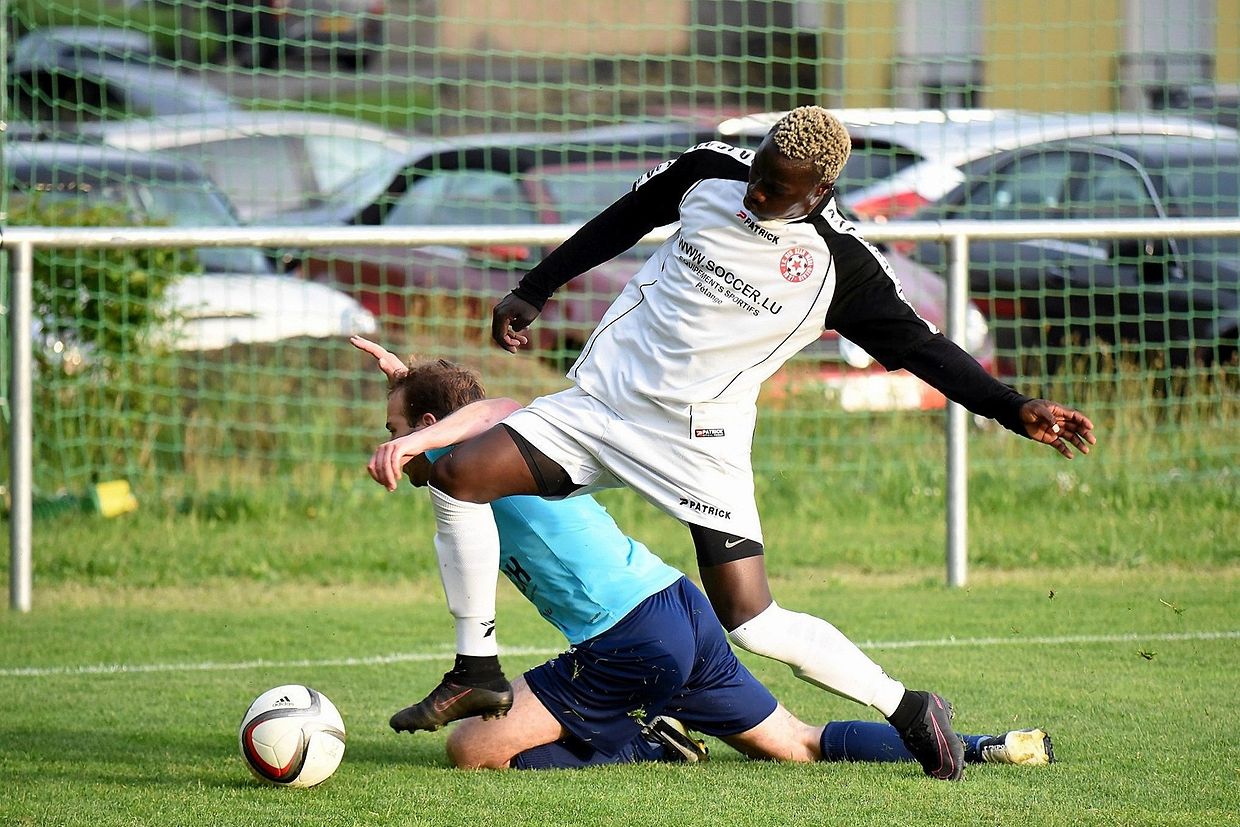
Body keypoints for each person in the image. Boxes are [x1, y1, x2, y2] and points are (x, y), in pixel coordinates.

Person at [366, 106, 1096, 782]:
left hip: (697, 443)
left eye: (777, 189)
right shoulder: (711, 170)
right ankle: (476, 666)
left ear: (819, 192)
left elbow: (923, 349)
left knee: (753, 621)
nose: (757, 193)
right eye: (759, 172)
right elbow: (624, 219)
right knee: (460, 475)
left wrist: (1013, 406)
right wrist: (537, 285)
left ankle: (908, 707)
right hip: (600, 408)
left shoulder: (840, 267)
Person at [354, 337, 1055, 773]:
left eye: (394, 428)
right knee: (798, 743)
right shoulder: (469, 464)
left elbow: (495, 406)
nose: (389, 444)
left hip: (628, 637)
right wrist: (413, 381)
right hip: (678, 608)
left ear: (429, 427)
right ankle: (984, 745)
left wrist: (419, 433)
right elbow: (467, 413)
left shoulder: (482, 450)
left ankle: (645, 741)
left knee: (471, 749)